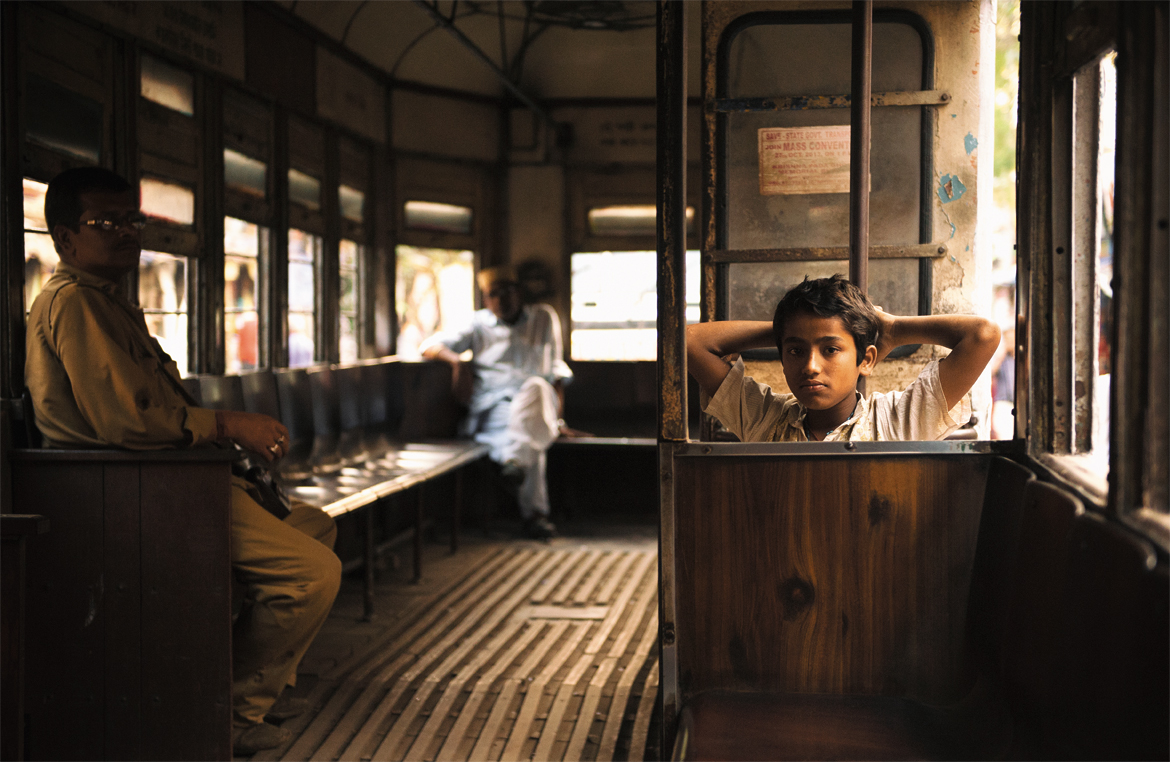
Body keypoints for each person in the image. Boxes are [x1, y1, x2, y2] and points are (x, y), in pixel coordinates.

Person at [24, 167, 341, 755]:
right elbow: (129, 422)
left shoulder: (109, 304)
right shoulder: (74, 306)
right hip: (135, 487)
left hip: (173, 481)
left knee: (315, 528)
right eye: (106, 223)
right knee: (311, 573)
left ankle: (246, 688)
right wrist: (227, 424)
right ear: (66, 239)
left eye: (132, 220)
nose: (126, 233)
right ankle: (226, 707)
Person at [686, 274, 1001, 442]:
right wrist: (786, 331)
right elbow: (690, 342)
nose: (810, 366)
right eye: (795, 351)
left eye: (830, 349)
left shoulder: (899, 420)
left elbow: (982, 336)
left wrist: (892, 328)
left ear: (866, 359)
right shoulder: (764, 418)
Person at [421, 265, 581, 538]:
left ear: (518, 293)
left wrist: (558, 420)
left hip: (537, 402)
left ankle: (515, 464)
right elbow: (427, 346)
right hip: (494, 407)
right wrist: (457, 361)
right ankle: (535, 514)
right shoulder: (477, 324)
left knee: (537, 388)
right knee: (533, 438)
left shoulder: (543, 318)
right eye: (493, 295)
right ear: (485, 299)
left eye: (507, 292)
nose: (501, 300)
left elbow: (556, 371)